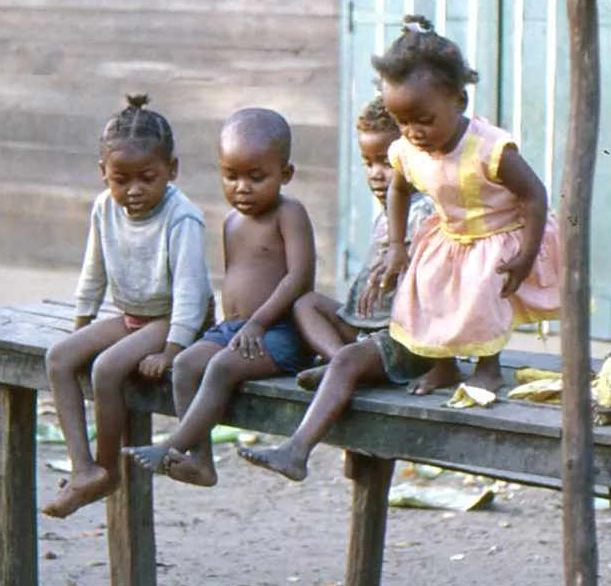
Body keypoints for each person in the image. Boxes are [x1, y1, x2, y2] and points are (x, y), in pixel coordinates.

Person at [237, 96, 434, 481]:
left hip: (404, 339)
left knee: (349, 361)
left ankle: (296, 450)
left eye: (386, 163)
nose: (376, 174)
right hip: (366, 328)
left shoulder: (426, 212)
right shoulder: (387, 213)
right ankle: (338, 362)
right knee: (306, 304)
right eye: (368, 163)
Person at [366, 15, 561, 397]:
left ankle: (489, 368)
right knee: (431, 288)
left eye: (424, 120)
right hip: (451, 235)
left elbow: (534, 194)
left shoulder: (489, 148)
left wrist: (526, 254)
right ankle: (444, 366)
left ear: (459, 101)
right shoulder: (405, 151)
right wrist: (397, 246)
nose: (413, 132)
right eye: (401, 122)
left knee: (482, 291)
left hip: (500, 233)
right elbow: (398, 191)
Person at [41, 95, 214, 519]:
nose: (134, 190)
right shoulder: (105, 208)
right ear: (103, 173)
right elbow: (93, 271)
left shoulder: (182, 218)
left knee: (106, 369)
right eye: (121, 179)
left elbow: (191, 293)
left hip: (174, 320)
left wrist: (171, 350)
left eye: (147, 178)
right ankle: (83, 469)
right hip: (132, 315)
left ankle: (107, 469)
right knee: (59, 357)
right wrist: (82, 324)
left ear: (172, 169)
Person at [126, 107, 315, 487]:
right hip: (234, 330)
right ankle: (200, 461)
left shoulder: (289, 213)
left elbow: (299, 278)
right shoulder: (231, 221)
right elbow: (235, 278)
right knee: (186, 365)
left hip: (279, 332)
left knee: (221, 368)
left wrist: (258, 323)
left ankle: (174, 445)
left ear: (285, 174)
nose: (242, 187)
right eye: (231, 176)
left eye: (256, 177)